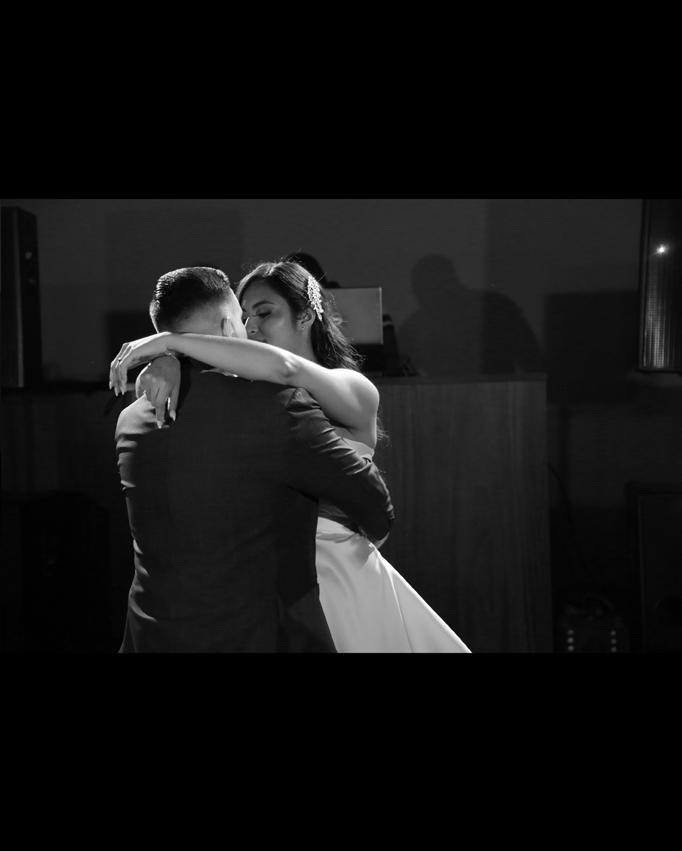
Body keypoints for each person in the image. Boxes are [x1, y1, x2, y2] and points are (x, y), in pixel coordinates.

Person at [111, 260, 471, 652]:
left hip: (331, 571)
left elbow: (285, 371)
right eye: (244, 316)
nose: (251, 327)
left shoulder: (342, 387)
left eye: (264, 313)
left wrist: (171, 343)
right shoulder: (248, 396)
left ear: (305, 316)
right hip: (262, 590)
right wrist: (172, 357)